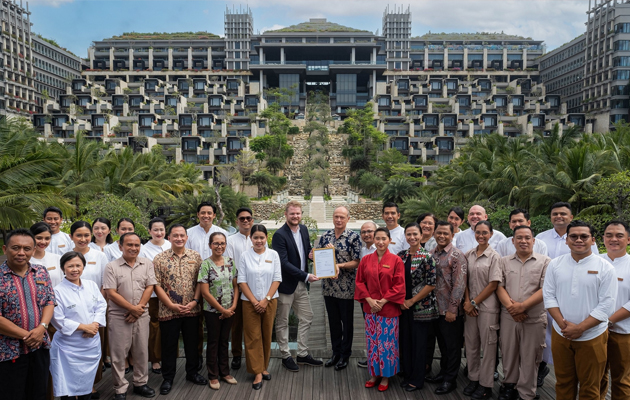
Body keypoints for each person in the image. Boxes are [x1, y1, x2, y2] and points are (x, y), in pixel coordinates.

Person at [543, 220, 617, 400]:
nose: (578, 240)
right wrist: (563, 325)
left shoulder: (605, 267)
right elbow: (549, 296)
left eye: (584, 236)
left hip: (593, 336)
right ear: (566, 240)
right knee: (563, 383)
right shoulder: (555, 264)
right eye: (573, 236)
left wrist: (581, 328)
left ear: (593, 240)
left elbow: (607, 304)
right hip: (561, 334)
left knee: (590, 387)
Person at [535, 202, 599, 387]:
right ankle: (541, 368)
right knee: (545, 334)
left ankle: (575, 372)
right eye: (555, 214)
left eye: (563, 214)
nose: (559, 217)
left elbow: (592, 264)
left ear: (571, 217)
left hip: (577, 294)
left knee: (574, 332)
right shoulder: (541, 237)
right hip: (547, 294)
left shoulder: (583, 238)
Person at [0, 229, 56, 400]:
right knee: (12, 394)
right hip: (9, 351)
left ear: (33, 250)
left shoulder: (41, 272)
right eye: (15, 248)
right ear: (5, 249)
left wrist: (42, 328)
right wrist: (27, 336)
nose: (21, 253)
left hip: (39, 346)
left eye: (26, 249)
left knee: (38, 392)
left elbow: (49, 301)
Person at [496, 225, 549, 400]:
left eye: (527, 238)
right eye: (519, 238)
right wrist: (513, 309)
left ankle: (527, 392)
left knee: (530, 355)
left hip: (533, 317)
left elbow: (545, 289)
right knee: (509, 352)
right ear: (513, 241)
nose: (523, 241)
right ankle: (509, 384)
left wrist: (523, 306)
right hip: (509, 317)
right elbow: (499, 286)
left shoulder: (545, 262)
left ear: (533, 241)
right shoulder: (503, 261)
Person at [152, 224, 207, 395]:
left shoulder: (196, 257)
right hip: (169, 311)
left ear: (186, 237)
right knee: (168, 345)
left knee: (192, 343)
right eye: (175, 235)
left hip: (192, 309)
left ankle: (192, 373)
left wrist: (195, 301)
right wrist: (170, 304)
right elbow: (156, 285)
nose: (179, 238)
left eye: (182, 235)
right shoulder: (159, 259)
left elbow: (200, 281)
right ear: (169, 238)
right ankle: (168, 378)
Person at [103, 232, 156, 399]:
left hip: (142, 314)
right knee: (118, 354)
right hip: (119, 316)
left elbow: (150, 287)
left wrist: (138, 309)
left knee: (141, 351)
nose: (133, 248)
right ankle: (120, 388)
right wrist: (132, 309)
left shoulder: (147, 263)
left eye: (137, 245)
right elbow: (111, 293)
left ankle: (140, 383)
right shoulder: (111, 266)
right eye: (129, 245)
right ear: (120, 246)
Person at [271, 200, 322, 373]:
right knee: (283, 321)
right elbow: (283, 263)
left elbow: (306, 250)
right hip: (286, 285)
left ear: (301, 214)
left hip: (301, 284)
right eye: (292, 213)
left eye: (298, 213)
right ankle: (286, 356)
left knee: (307, 317)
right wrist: (306, 276)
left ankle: (302, 353)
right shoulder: (279, 235)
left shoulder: (304, 229)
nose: (295, 216)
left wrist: (316, 257)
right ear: (286, 214)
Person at [49, 251, 107, 400]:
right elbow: (58, 319)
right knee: (66, 389)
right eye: (70, 266)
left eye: (78, 265)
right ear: (62, 268)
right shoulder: (57, 291)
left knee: (86, 387)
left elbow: (101, 305)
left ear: (83, 266)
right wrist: (83, 327)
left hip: (90, 343)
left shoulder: (91, 285)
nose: (75, 269)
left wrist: (94, 325)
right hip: (67, 347)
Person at [355, 227, 405, 392]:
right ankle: (374, 373)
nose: (380, 242)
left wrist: (382, 302)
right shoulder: (366, 260)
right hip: (370, 309)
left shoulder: (396, 260)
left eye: (384, 238)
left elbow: (399, 285)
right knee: (372, 342)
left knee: (387, 344)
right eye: (378, 238)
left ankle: (386, 375)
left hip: (388, 308)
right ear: (373, 240)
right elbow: (360, 282)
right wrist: (369, 300)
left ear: (389, 240)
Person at [425, 221, 468, 396]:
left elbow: (459, 285)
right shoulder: (431, 253)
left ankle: (450, 379)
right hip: (433, 309)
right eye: (439, 233)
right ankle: (443, 373)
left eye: (445, 233)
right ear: (435, 234)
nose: (442, 236)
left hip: (449, 310)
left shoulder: (457, 255)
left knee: (452, 346)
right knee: (442, 344)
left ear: (452, 235)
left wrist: (452, 309)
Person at [238, 224, 282, 390]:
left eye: (261, 237)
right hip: (249, 302)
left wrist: (265, 300)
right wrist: (255, 302)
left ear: (266, 238)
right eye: (255, 237)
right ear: (251, 238)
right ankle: (256, 372)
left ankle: (264, 366)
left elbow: (277, 279)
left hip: (270, 301)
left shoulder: (274, 254)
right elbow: (241, 280)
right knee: (252, 336)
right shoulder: (244, 256)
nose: (258, 241)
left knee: (266, 334)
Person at [462, 221, 502, 400]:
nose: (481, 236)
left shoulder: (494, 257)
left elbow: (493, 284)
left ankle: (486, 384)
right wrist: (468, 302)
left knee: (488, 347)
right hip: (470, 308)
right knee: (471, 345)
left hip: (488, 308)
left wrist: (474, 303)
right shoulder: (469, 255)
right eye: (478, 232)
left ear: (491, 234)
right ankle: (473, 378)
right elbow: (465, 281)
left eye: (485, 233)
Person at [319, 206, 362, 371]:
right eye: (336, 216)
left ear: (348, 219)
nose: (338, 220)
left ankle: (345, 355)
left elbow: (356, 261)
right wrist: (314, 256)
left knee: (347, 323)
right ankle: (335, 353)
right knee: (333, 322)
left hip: (346, 287)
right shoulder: (325, 236)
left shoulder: (353, 237)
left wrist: (339, 265)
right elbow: (320, 257)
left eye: (342, 217)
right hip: (329, 287)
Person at [397, 222, 438, 392]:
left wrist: (411, 301)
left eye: (415, 234)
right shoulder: (401, 256)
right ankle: (407, 373)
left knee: (419, 344)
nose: (412, 238)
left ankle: (417, 379)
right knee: (405, 341)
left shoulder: (427, 257)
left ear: (421, 236)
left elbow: (431, 284)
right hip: (402, 307)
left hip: (421, 307)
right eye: (409, 234)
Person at [199, 231, 239, 390]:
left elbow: (236, 286)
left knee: (224, 341)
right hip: (212, 311)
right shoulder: (205, 264)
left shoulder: (230, 262)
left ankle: (225, 372)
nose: (219, 246)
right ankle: (213, 375)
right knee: (213, 341)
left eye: (222, 243)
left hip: (230, 309)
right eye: (216, 243)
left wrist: (233, 306)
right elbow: (205, 292)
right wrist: (222, 309)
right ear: (210, 245)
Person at [599, 220, 630, 400]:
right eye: (609, 235)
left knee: (622, 380)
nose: (613, 239)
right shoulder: (595, 261)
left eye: (619, 235)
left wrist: (608, 320)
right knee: (596, 377)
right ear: (603, 238)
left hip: (623, 332)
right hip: (594, 331)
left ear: (628, 239)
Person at [224, 207, 256, 370]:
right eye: (242, 218)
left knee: (252, 326)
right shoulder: (230, 240)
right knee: (236, 325)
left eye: (248, 218)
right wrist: (239, 283)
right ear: (237, 221)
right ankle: (236, 355)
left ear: (252, 220)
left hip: (255, 289)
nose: (245, 221)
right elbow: (229, 264)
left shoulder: (257, 238)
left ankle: (254, 356)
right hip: (236, 288)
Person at [139, 217, 171, 375]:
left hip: (172, 293)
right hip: (153, 294)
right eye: (156, 230)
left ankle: (170, 356)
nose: (159, 233)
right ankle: (155, 359)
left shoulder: (171, 245)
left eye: (162, 229)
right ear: (149, 231)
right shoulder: (144, 249)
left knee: (170, 325)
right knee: (154, 326)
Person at [357, 221, 378, 368]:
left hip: (380, 299)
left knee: (381, 330)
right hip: (366, 297)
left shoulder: (382, 249)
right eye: (363, 232)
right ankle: (372, 358)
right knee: (370, 329)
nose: (366, 234)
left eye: (369, 231)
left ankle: (381, 359)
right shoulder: (363, 250)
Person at [70, 221, 109, 290]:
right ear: (71, 237)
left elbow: (105, 283)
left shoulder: (100, 256)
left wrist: (99, 300)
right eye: (78, 235)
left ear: (91, 235)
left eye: (86, 235)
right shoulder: (65, 256)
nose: (83, 239)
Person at [30, 222, 63, 287]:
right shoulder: (25, 261)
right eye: (39, 238)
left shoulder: (57, 259)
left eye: (47, 238)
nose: (43, 242)